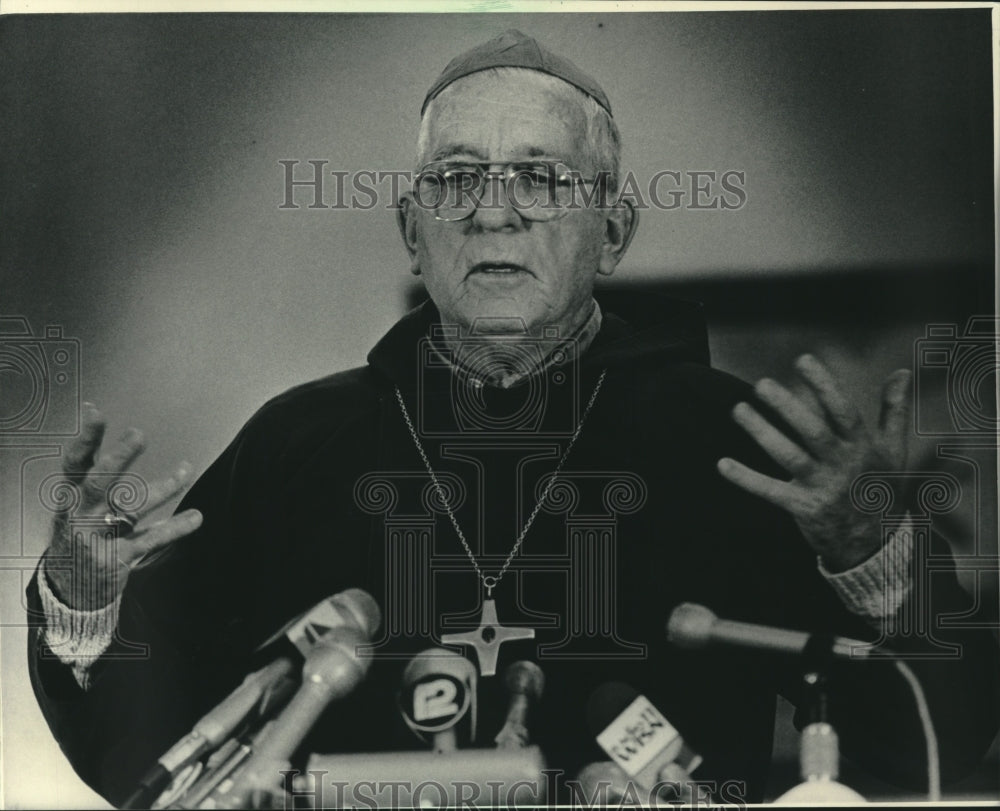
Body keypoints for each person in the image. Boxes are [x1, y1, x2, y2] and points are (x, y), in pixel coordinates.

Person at [28, 30, 998, 807]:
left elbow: (927, 743)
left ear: (611, 232)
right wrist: (81, 603)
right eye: (455, 180)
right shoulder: (297, 444)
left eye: (539, 178)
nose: (494, 214)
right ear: (415, 231)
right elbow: (149, 752)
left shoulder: (728, 440)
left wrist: (875, 559)